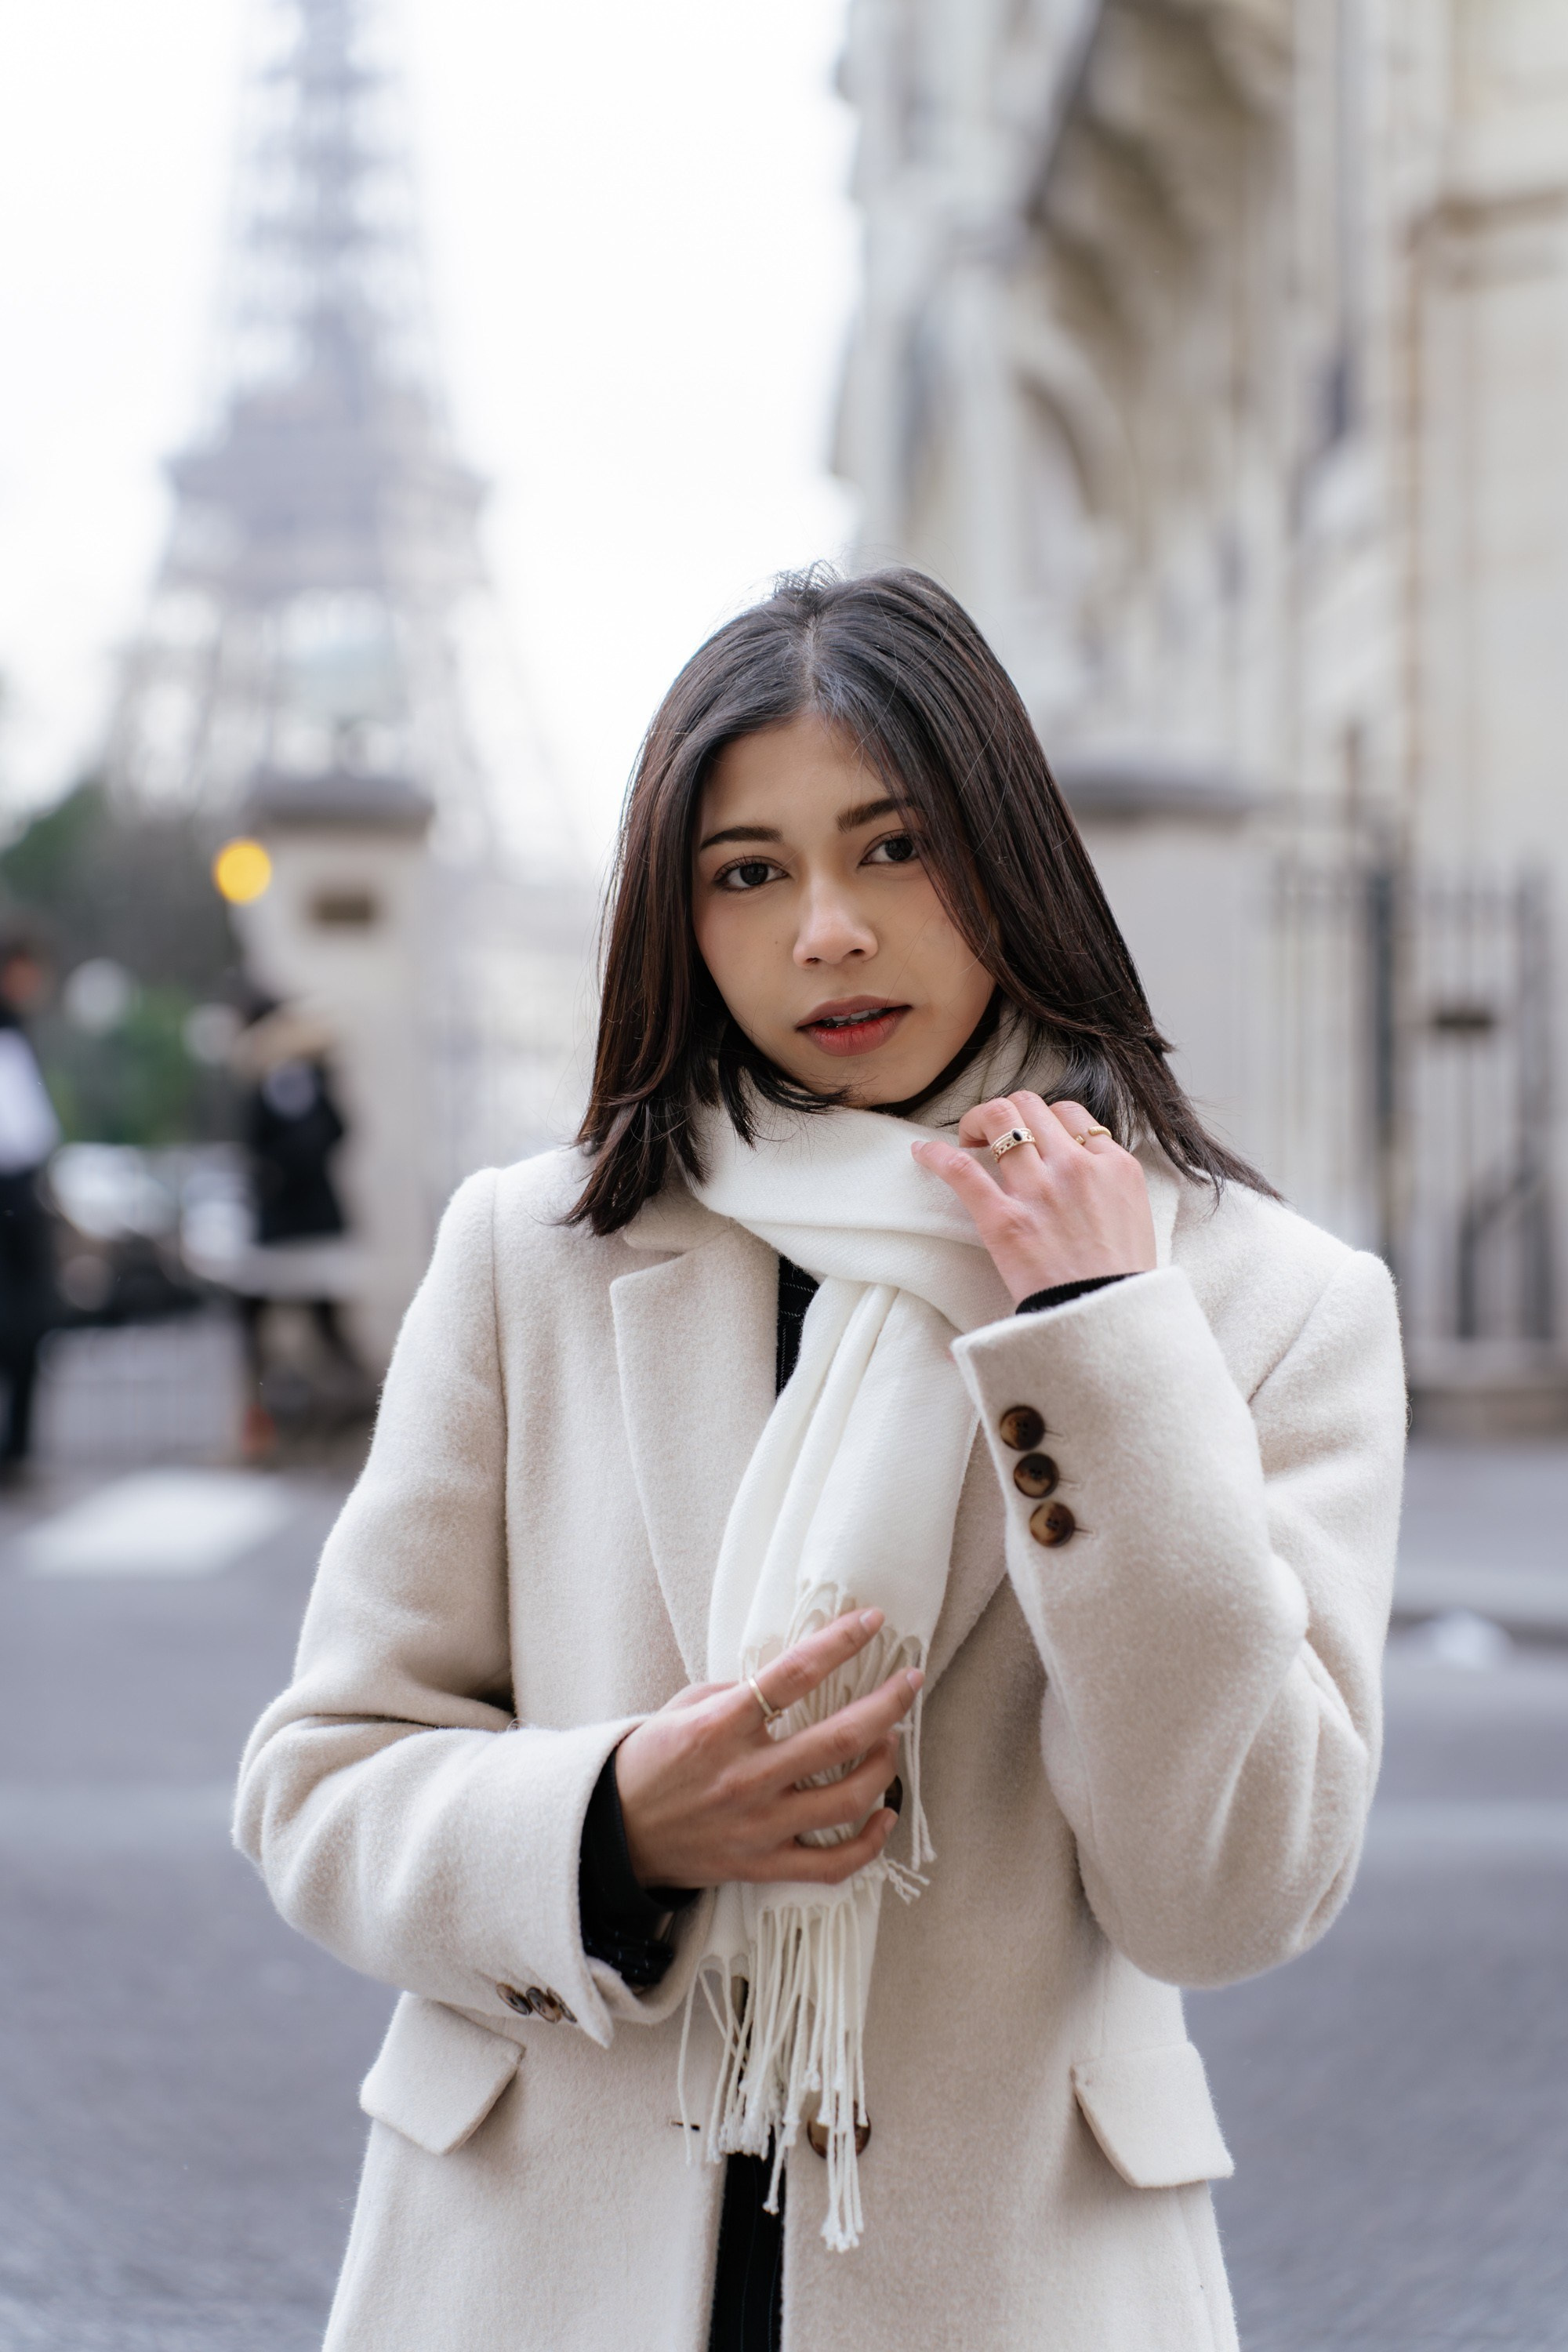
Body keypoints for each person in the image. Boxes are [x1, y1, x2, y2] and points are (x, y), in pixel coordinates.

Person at [236, 568, 1406, 2352]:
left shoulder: (1260, 1303)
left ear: (1007, 855)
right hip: (527, 2269)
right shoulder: (533, 1251)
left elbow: (1226, 1889)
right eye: (748, 870)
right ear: (681, 919)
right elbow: (317, 1785)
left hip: (1006, 2281)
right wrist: (612, 1825)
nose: (827, 931)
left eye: (891, 848)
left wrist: (1102, 1338)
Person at [226, 1001, 368, 1457]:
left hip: (301, 1223)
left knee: (323, 1326)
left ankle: (350, 1413)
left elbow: (330, 1136)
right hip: (284, 1225)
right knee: (262, 1326)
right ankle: (266, 1425)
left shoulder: (303, 1080)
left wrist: (277, 1169)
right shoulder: (275, 1082)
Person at [0, 938, 60, 1479]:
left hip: (21, 1197)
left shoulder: (20, 1034)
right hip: (9, 1199)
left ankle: (16, 1447)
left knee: (28, 1327)